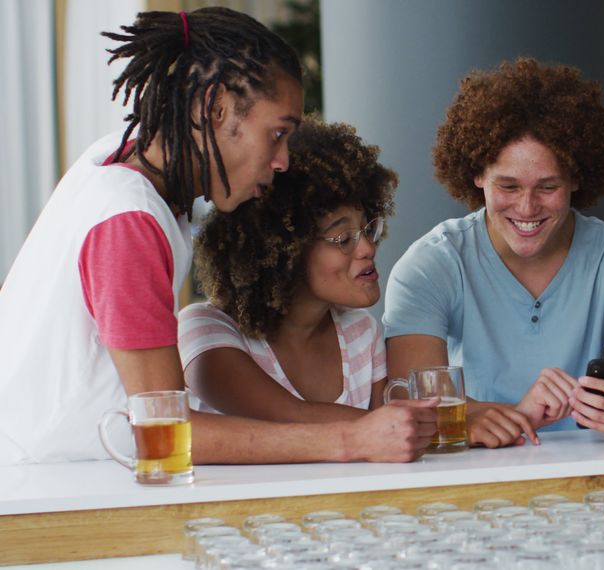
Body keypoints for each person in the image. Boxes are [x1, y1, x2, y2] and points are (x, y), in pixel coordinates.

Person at [0, 8, 433, 465]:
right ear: (214, 107)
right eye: (277, 133)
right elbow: (162, 431)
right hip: (50, 493)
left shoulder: (123, 164)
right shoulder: (128, 218)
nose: (283, 159)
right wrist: (353, 440)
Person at [382, 58, 604, 447]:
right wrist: (508, 418)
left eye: (547, 187)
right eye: (508, 187)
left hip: (601, 474)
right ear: (477, 175)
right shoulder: (430, 265)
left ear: (576, 178)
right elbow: (412, 398)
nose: (526, 209)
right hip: (474, 478)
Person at [178, 119, 422, 433]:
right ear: (285, 251)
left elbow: (386, 447)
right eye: (343, 237)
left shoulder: (361, 332)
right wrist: (414, 423)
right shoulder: (206, 330)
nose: (368, 248)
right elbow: (289, 416)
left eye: (367, 228)